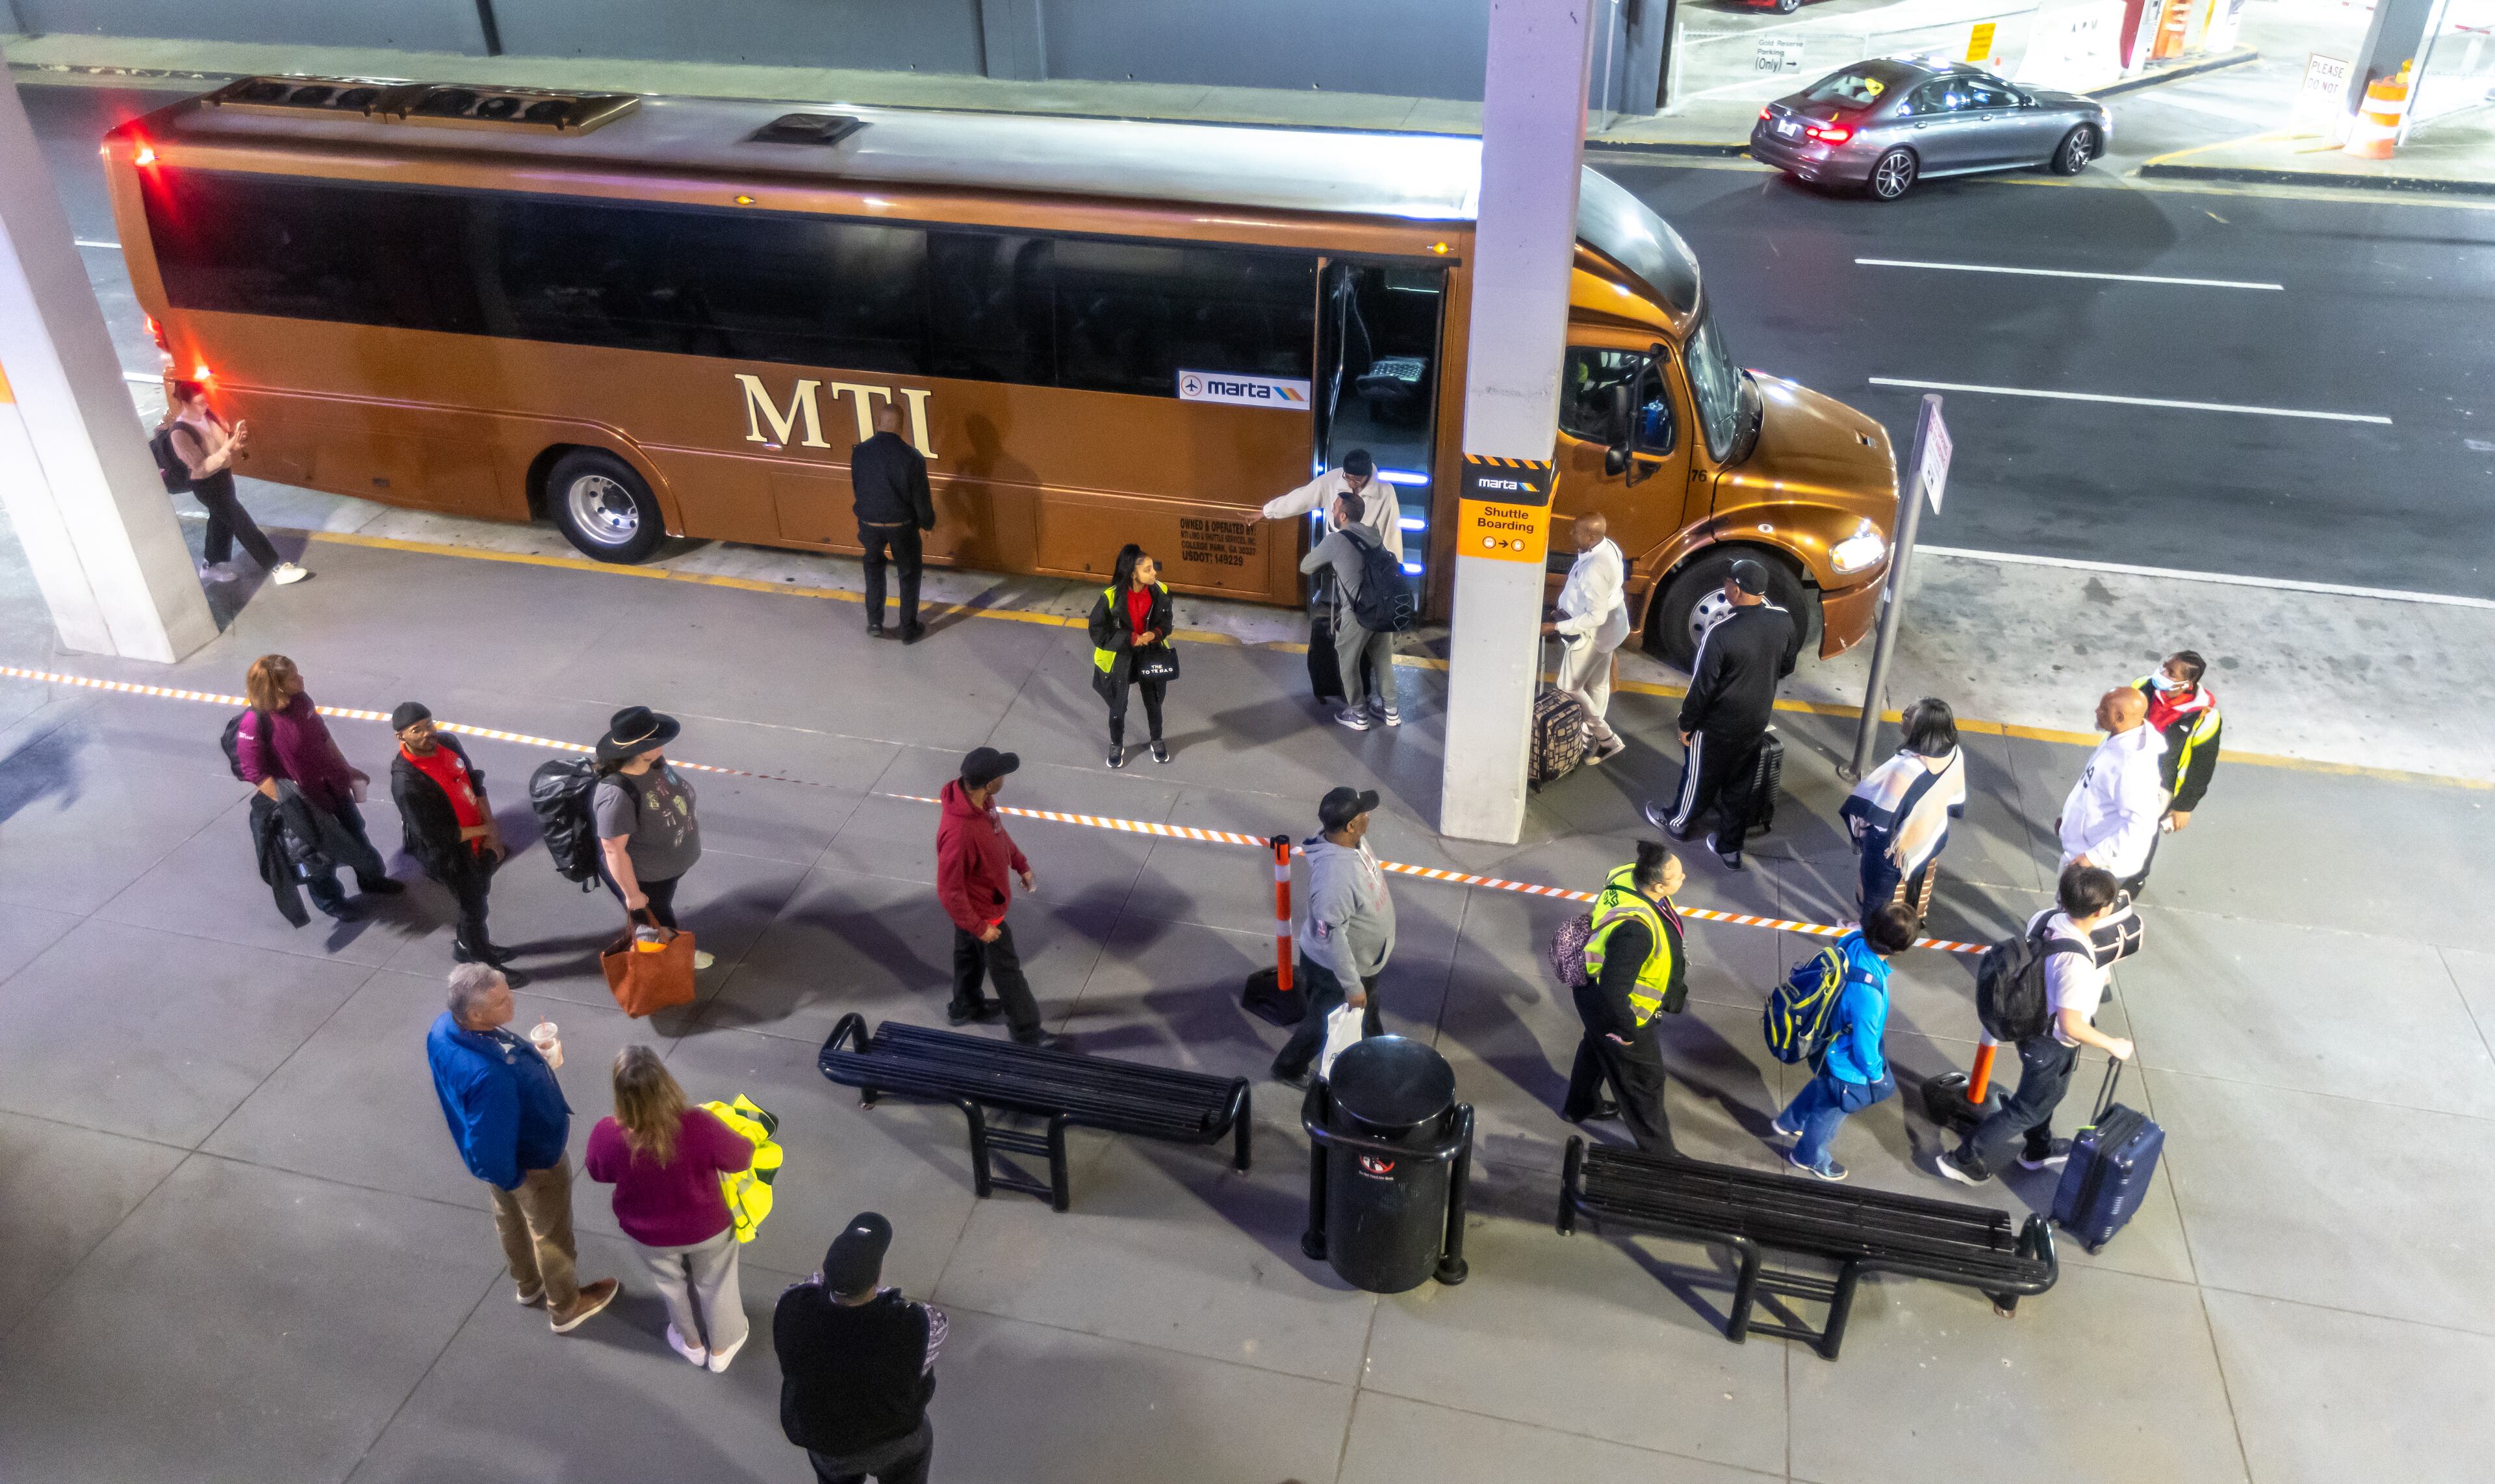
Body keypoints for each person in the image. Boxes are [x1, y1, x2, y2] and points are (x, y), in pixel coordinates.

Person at [427, 964, 619, 1333]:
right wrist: (516, 1178)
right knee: (551, 1233)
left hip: (495, 1160)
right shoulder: (491, 1077)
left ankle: (528, 1285)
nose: (512, 1001)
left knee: (509, 1218)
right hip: (531, 1160)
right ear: (477, 1013)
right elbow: (492, 1127)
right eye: (502, 1000)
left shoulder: (443, 1029)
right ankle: (566, 1305)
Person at [1938, 864, 2136, 1185]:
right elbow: (2071, 1025)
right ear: (2100, 912)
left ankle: (2038, 1148)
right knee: (2026, 1109)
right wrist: (2112, 1044)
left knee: (2045, 1097)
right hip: (2051, 1044)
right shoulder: (2075, 963)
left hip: (2031, 1023)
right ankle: (1963, 1159)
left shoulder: (2046, 918)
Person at [584, 1046, 755, 1372]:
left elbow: (597, 1171)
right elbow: (741, 1158)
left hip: (647, 1234)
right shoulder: (699, 1124)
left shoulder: (606, 1134)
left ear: (619, 1093)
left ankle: (690, 1343)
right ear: (665, 1083)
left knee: (670, 1285)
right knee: (716, 1281)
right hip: (707, 1228)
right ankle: (723, 1346)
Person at [1642, 559, 1795, 871]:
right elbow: (1786, 667)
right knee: (1741, 784)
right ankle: (1730, 848)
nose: (1725, 585)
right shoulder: (1783, 621)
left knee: (1698, 777)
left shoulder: (1720, 633)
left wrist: (1686, 724)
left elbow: (1702, 687)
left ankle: (1678, 822)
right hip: (1755, 721)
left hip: (1716, 725)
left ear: (1735, 590)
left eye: (1728, 582)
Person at [776, 1212, 944, 1484]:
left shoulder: (791, 1306)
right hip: (897, 1439)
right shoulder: (914, 1326)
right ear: (877, 1277)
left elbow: (807, 1286)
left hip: (827, 1442)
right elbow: (937, 1321)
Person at [236, 654, 400, 919]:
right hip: (305, 801)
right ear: (277, 687)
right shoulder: (255, 723)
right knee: (317, 856)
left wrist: (345, 768)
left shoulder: (302, 701)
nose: (301, 679)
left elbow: (323, 737)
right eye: (293, 677)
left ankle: (370, 879)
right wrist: (294, 807)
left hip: (332, 786)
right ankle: (330, 901)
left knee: (356, 832)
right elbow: (255, 773)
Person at [1769, 904, 1917, 1181]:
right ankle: (1807, 1156)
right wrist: (1876, 1076)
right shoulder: (1869, 995)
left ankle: (1789, 1122)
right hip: (1845, 1063)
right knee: (1829, 1113)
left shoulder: (1853, 941)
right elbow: (1865, 1047)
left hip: (1826, 1044)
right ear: (1899, 950)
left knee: (1822, 1087)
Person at [1560, 840, 1687, 1153]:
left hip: (1591, 997)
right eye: (1679, 876)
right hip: (1620, 1013)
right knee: (1645, 1082)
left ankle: (1580, 1106)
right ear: (1658, 885)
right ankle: (1661, 1155)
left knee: (1595, 1049)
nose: (1685, 878)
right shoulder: (1637, 933)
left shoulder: (1627, 877)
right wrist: (1627, 1031)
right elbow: (1614, 993)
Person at [1270, 786, 1398, 1089]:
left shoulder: (1350, 842)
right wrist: (1352, 985)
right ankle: (1289, 1066)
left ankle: (1376, 1051)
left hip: (1363, 962)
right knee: (1322, 1023)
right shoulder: (1334, 880)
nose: (1368, 816)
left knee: (1367, 1009)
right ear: (1351, 826)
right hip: (1336, 970)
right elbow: (1333, 939)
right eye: (1363, 813)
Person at [388, 701, 517, 978]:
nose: (427, 734)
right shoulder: (407, 783)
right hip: (448, 855)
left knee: (477, 895)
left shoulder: (448, 743)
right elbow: (438, 837)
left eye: (429, 725)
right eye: (416, 730)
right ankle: (486, 967)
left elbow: (474, 782)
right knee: (473, 907)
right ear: (401, 737)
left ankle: (465, 945)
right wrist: (486, 831)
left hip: (475, 840)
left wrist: (490, 829)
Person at [936, 747, 1052, 1047]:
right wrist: (980, 926)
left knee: (968, 956)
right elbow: (949, 890)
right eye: (1001, 774)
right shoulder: (960, 833)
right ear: (989, 783)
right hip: (985, 912)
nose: (1004, 778)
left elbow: (999, 835)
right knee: (1008, 972)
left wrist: (1020, 864)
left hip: (974, 910)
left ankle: (965, 1006)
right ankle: (1026, 1030)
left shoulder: (983, 804)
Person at [594, 706, 715, 971]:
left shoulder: (654, 762)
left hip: (666, 869)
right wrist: (633, 894)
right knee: (657, 919)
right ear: (642, 750)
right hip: (646, 877)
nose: (664, 743)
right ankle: (670, 960)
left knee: (659, 911)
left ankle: (663, 952)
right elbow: (613, 850)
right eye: (657, 740)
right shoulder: (616, 795)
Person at [162, 379, 311, 586]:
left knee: (221, 523)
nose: (205, 405)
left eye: (205, 400)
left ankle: (209, 567)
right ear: (186, 403)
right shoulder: (180, 433)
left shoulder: (208, 415)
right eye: (200, 402)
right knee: (242, 524)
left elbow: (224, 443)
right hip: (206, 485)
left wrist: (237, 440)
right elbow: (201, 467)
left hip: (223, 478)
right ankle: (275, 567)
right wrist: (227, 448)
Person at [1840, 697, 1967, 921]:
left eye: (1908, 715)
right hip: (1931, 835)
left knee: (1876, 899)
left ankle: (1868, 936)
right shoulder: (1953, 753)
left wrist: (1862, 837)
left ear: (1921, 730)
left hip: (1893, 851)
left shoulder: (1905, 769)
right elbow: (1954, 796)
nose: (1903, 716)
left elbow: (1876, 816)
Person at [1299, 493, 1401, 731]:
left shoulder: (1336, 540)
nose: (1332, 512)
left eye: (1334, 509)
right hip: (1382, 608)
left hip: (1357, 612)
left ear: (1343, 516)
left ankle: (1358, 714)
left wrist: (1331, 562)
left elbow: (1306, 567)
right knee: (1383, 660)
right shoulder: (1374, 534)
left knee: (1348, 661)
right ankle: (1391, 712)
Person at [2056, 687, 2168, 895]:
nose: (2096, 711)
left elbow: (2140, 827)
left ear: (2120, 717)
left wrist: (2093, 858)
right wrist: (2067, 818)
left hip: (2096, 868)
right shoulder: (2117, 738)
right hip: (2083, 853)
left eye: (2103, 709)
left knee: (2076, 922)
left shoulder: (2132, 767)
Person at [1542, 512, 1630, 764]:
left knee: (1568, 686)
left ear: (1591, 536)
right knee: (1599, 685)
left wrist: (1556, 626)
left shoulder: (1594, 568)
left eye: (1576, 531)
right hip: (1612, 629)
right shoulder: (1608, 545)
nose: (1571, 534)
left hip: (1591, 634)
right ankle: (1588, 734)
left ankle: (1607, 739)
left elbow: (1596, 617)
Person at [2132, 650, 2223, 888]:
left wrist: (2184, 807)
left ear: (2188, 684)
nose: (2162, 674)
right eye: (2164, 667)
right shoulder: (2143, 687)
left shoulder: (2205, 718)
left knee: (2146, 830)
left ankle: (2136, 878)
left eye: (2170, 673)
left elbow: (2202, 766)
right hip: (2128, 770)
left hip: (2161, 785)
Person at [851, 401, 935, 642]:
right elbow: (921, 500)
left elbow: (858, 488)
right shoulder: (912, 458)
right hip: (902, 527)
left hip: (869, 525)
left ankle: (875, 622)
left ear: (879, 423)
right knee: (909, 573)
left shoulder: (860, 452)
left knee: (873, 567)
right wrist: (927, 524)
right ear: (902, 427)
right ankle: (908, 629)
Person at [1085, 543, 1175, 769]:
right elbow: (1098, 630)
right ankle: (1117, 743)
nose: (1154, 572)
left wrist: (1155, 634)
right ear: (1133, 573)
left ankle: (1157, 739)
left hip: (1150, 653)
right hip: (1121, 657)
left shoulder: (1161, 593)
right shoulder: (1111, 597)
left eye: (1153, 567)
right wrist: (1131, 639)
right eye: (1147, 569)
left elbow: (1166, 622)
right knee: (1118, 706)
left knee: (1153, 702)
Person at [1259, 447, 1403, 563]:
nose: (1352, 483)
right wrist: (1268, 511)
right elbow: (1301, 498)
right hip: (1338, 552)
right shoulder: (1333, 479)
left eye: (1357, 480)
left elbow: (1391, 532)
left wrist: (1396, 566)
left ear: (1368, 475)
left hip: (1367, 556)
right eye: (1348, 478)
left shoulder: (1385, 491)